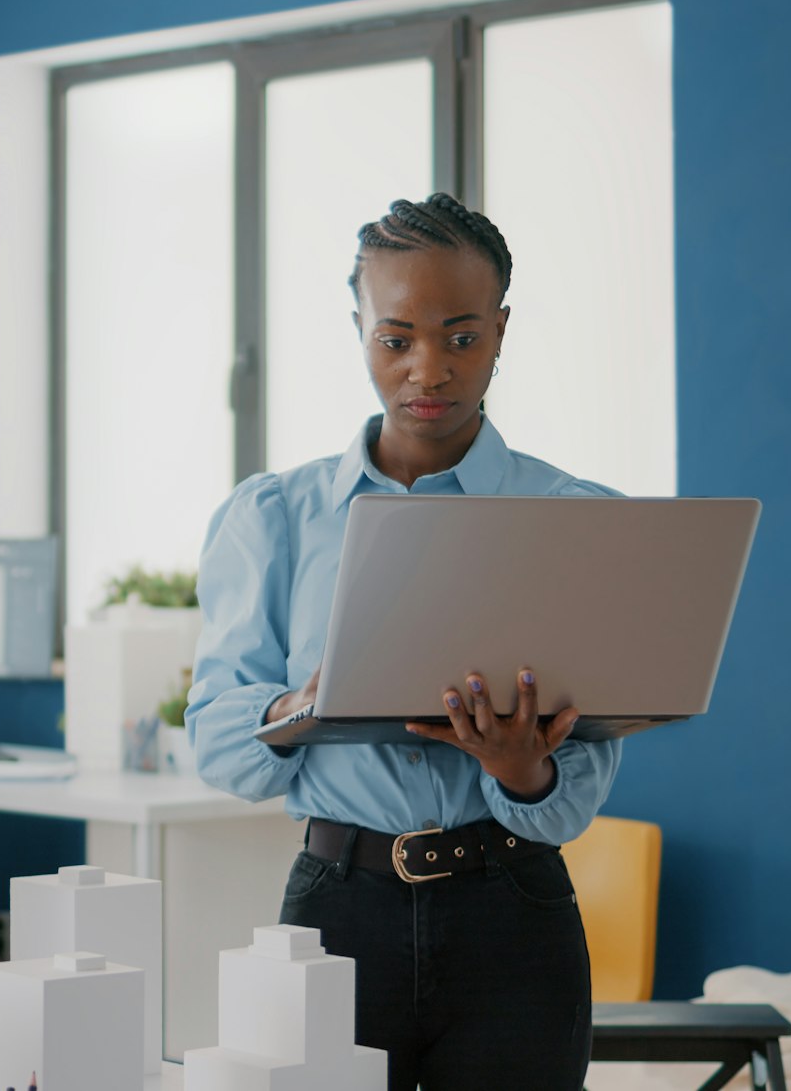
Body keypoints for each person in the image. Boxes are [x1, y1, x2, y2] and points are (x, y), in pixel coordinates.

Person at [188, 195, 622, 1091]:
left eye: (462, 337)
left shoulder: (574, 522)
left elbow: (577, 789)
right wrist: (297, 705)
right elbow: (218, 740)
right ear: (360, 331)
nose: (430, 368)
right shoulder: (273, 518)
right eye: (397, 339)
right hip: (336, 915)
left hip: (514, 914)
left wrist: (521, 770)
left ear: (500, 331)